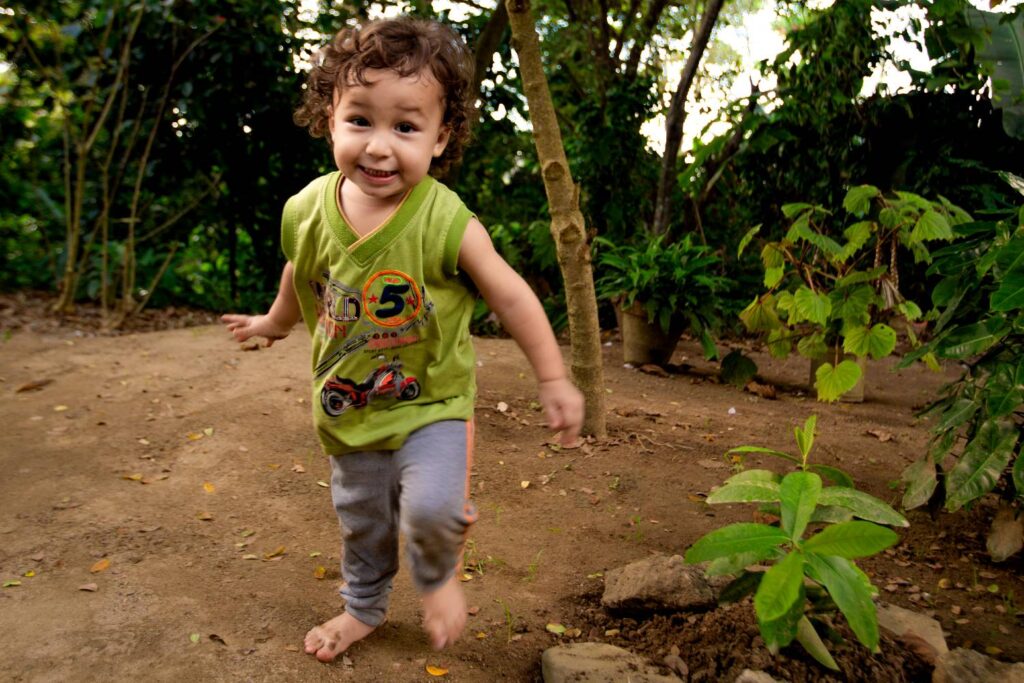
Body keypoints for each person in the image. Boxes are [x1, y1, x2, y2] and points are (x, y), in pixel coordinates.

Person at [220, 16, 584, 663]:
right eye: (360, 120)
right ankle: (363, 606)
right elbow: (301, 270)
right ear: (329, 117)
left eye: (406, 126)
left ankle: (438, 573)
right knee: (365, 521)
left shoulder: (445, 219)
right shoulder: (306, 210)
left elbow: (509, 293)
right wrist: (275, 323)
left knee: (430, 509)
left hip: (433, 402)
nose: (379, 146)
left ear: (441, 137)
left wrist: (553, 376)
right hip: (348, 408)